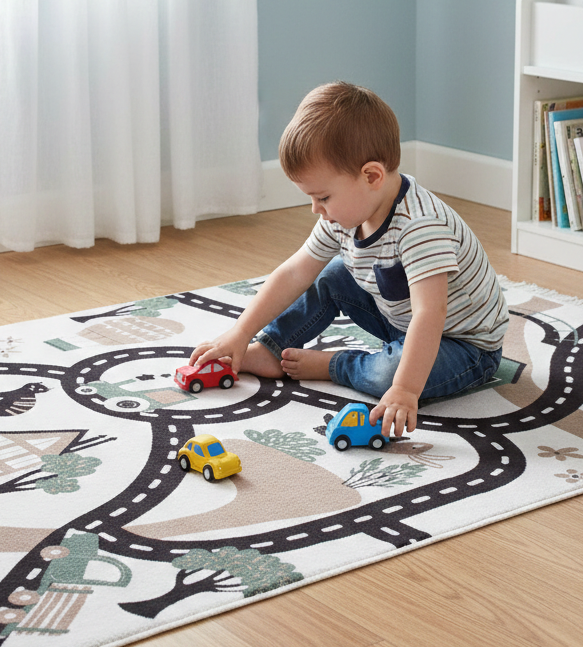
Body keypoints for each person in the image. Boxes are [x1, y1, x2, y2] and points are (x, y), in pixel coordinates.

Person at [189, 81, 508, 439]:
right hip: (399, 319)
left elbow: (429, 315)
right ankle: (269, 348)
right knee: (329, 274)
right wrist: (240, 332)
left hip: (464, 344)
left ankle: (336, 365)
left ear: (371, 176)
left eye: (323, 196)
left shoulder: (421, 228)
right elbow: (295, 272)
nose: (316, 210)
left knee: (389, 376)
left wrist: (403, 390)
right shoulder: (344, 216)